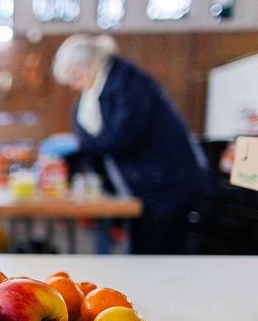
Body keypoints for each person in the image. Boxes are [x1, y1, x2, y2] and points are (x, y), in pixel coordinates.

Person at [47, 34, 210, 254]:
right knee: (141, 252)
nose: (75, 85)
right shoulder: (93, 94)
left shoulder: (128, 83)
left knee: (158, 256)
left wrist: (77, 145)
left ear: (89, 65)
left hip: (166, 184)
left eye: (75, 75)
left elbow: (124, 135)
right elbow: (92, 140)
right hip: (141, 188)